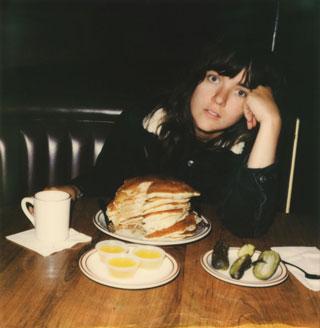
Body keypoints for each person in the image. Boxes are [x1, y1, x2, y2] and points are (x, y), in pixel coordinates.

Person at [48, 39, 283, 238]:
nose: (220, 99)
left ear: (252, 106)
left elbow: (248, 226)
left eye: (240, 92)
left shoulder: (250, 147)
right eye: (214, 79)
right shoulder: (144, 119)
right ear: (196, 79)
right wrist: (73, 189)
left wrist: (271, 123)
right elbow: (106, 178)